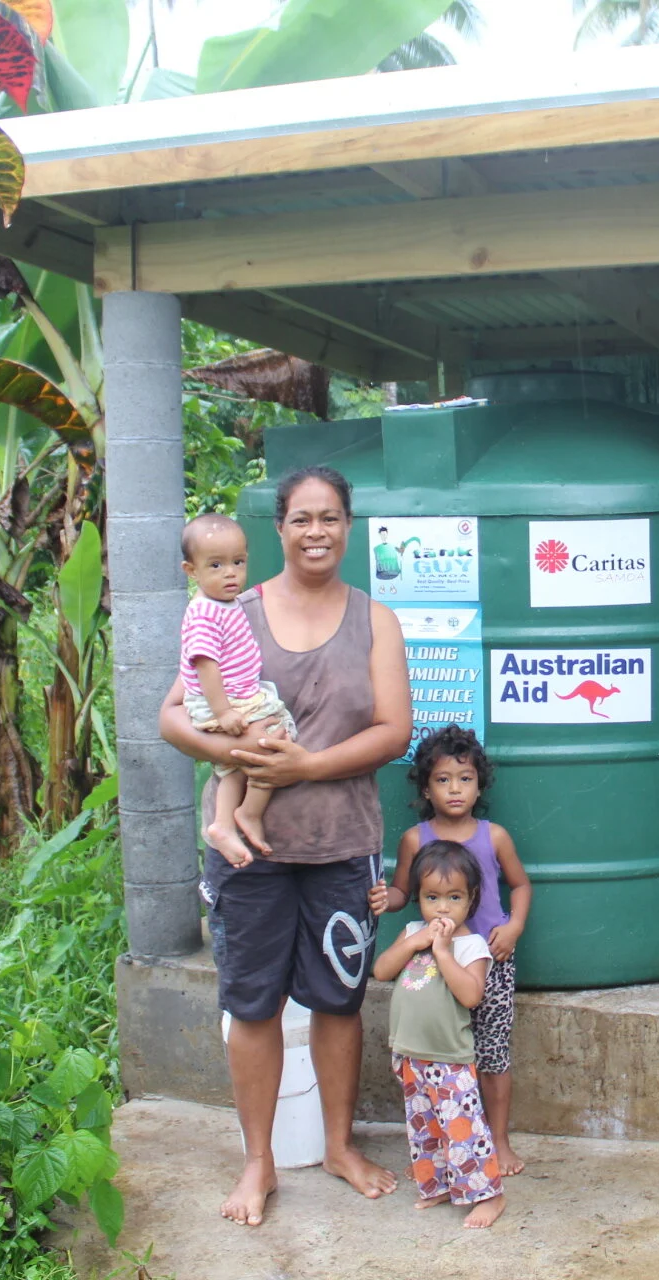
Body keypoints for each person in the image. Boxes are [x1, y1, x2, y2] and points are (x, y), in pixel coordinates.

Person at [158, 465, 411, 1227]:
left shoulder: (376, 620)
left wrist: (307, 765)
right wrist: (224, 750)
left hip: (342, 843)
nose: (316, 532)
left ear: (349, 524)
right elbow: (173, 715)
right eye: (301, 518)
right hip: (249, 853)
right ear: (279, 527)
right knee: (253, 1002)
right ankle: (258, 1162)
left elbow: (393, 732)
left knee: (339, 1000)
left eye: (330, 517)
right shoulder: (233, 608)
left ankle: (339, 1145)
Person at [371, 724, 531, 1177]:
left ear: (480, 783)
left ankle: (497, 1141)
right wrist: (389, 900)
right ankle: (444, 1145)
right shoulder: (415, 840)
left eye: (464, 778)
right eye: (443, 779)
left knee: (493, 1054)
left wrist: (513, 927)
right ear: (426, 787)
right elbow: (404, 891)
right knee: (441, 1057)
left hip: (490, 960)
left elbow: (519, 885)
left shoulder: (493, 836)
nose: (454, 789)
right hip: (433, 965)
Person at [371, 840, 506, 1229]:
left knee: (463, 1128)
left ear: (471, 899)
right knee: (425, 1128)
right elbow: (382, 971)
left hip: (449, 1058)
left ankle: (489, 1195)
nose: (442, 908)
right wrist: (415, 942)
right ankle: (439, 1186)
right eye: (432, 897)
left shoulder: (470, 946)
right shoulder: (413, 932)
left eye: (453, 897)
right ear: (418, 899)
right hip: (410, 1053)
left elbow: (471, 995)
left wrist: (443, 953)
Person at [177, 514, 293, 864]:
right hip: (222, 701)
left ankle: (223, 824)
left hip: (236, 696)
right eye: (216, 565)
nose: (230, 573)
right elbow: (204, 666)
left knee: (232, 768)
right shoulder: (204, 613)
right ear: (191, 570)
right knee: (276, 736)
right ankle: (251, 812)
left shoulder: (225, 604)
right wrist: (224, 711)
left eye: (238, 562)